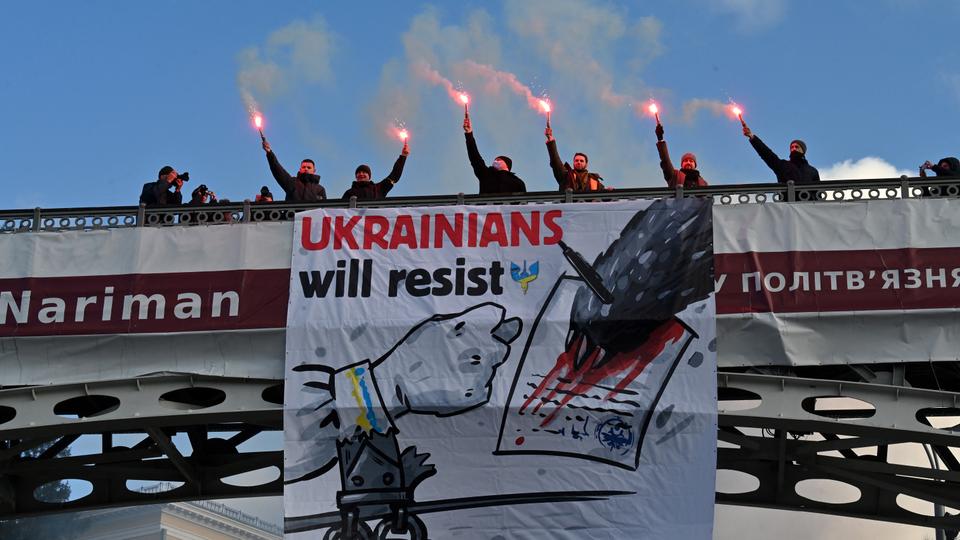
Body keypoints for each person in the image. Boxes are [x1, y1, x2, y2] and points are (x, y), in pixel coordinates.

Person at [462, 115, 526, 194]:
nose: (495, 161)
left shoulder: (518, 182)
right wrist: (469, 134)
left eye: (499, 160)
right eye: (495, 160)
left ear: (507, 165)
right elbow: (475, 158)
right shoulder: (486, 174)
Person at [742, 122, 820, 185]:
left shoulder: (812, 171)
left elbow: (819, 193)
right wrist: (752, 136)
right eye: (791, 147)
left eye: (797, 147)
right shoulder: (783, 165)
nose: (793, 149)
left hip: (808, 204)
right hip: (787, 204)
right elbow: (767, 154)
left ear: (803, 151)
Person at [545, 125, 608, 192]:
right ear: (573, 163)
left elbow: (603, 192)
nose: (579, 162)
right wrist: (551, 140)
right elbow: (556, 161)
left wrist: (608, 190)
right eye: (576, 160)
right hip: (569, 202)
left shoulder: (593, 180)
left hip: (588, 202)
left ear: (586, 164)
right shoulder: (565, 176)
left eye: (581, 161)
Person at [341, 139, 410, 200]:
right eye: (358, 173)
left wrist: (403, 156)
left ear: (369, 176)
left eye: (364, 172)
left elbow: (394, 175)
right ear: (356, 176)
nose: (361, 174)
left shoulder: (378, 188)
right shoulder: (349, 192)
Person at [262, 138, 327, 202]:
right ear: (300, 169)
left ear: (314, 171)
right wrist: (269, 153)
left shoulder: (320, 189)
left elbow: (325, 208)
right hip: (293, 213)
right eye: (304, 167)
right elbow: (278, 171)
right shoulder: (292, 182)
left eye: (309, 167)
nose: (306, 169)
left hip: (312, 213)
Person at [655, 123, 708, 189]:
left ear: (695, 165)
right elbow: (666, 161)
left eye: (691, 161)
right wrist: (660, 140)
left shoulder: (703, 182)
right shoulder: (674, 175)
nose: (688, 162)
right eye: (685, 161)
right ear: (681, 164)